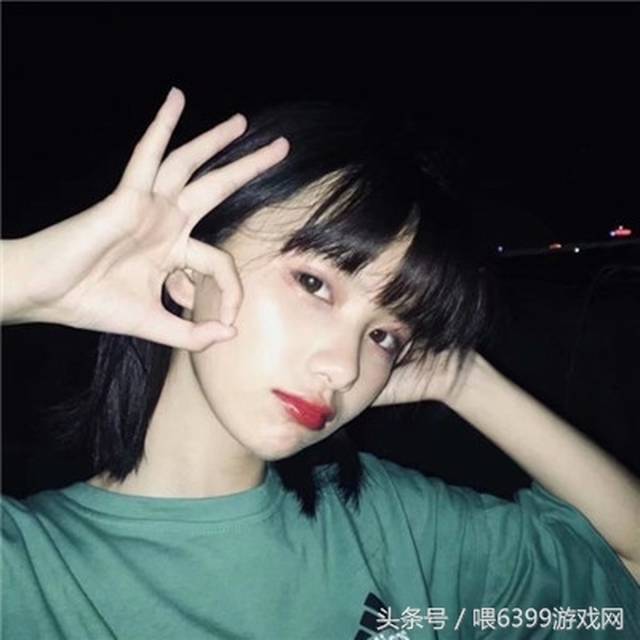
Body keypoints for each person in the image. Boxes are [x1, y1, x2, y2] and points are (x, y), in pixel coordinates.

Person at [1, 87, 638, 640]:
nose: (344, 367)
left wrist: (464, 379)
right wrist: (24, 278)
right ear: (189, 270)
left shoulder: (393, 528)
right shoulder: (31, 574)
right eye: (313, 283)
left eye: (384, 335)